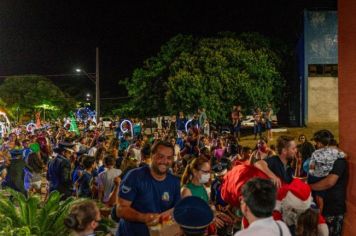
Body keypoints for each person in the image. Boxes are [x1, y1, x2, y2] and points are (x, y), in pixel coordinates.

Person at [116, 140, 181, 236]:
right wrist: (144, 217)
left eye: (169, 158)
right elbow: (120, 210)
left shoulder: (174, 182)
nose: (165, 161)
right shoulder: (135, 176)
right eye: (160, 156)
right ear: (152, 155)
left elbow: (176, 212)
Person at [309, 130, 347, 236]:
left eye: (316, 143)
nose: (316, 146)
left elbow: (329, 182)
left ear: (321, 143)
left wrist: (308, 186)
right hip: (326, 207)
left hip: (332, 209)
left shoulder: (338, 161)